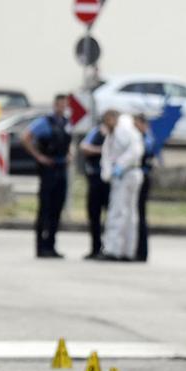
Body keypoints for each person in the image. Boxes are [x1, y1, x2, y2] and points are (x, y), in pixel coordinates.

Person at [22, 94, 73, 258]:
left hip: (61, 167)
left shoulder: (66, 123)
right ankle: (40, 246)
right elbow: (26, 137)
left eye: (64, 105)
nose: (62, 108)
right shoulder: (45, 122)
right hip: (48, 168)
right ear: (54, 105)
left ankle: (51, 245)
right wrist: (38, 156)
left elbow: (69, 142)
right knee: (45, 208)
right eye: (60, 104)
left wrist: (70, 154)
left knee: (57, 209)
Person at [100, 113, 145, 261]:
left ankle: (114, 250)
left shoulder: (125, 131)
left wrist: (119, 166)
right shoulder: (114, 133)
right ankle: (126, 250)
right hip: (123, 175)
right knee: (127, 214)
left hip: (127, 174)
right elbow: (106, 155)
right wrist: (107, 172)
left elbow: (135, 151)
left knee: (119, 213)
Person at [79, 110, 119, 259]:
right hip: (96, 177)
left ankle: (109, 247)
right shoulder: (97, 132)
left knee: (111, 216)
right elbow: (84, 146)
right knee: (94, 214)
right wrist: (102, 151)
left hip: (112, 180)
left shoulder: (119, 134)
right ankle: (95, 247)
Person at [135, 115, 158, 262]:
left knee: (140, 215)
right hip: (139, 178)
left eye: (136, 124)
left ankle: (142, 252)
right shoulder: (143, 138)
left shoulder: (146, 140)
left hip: (142, 179)